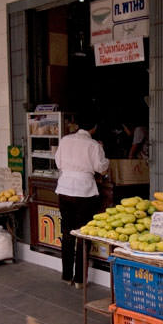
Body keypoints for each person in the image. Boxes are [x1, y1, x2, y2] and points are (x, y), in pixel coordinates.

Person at [55, 119, 109, 288]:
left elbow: (58, 163)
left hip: (64, 189)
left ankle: (66, 275)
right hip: (84, 192)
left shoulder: (65, 140)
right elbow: (102, 168)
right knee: (83, 235)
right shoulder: (94, 145)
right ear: (94, 127)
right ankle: (79, 279)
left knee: (67, 233)